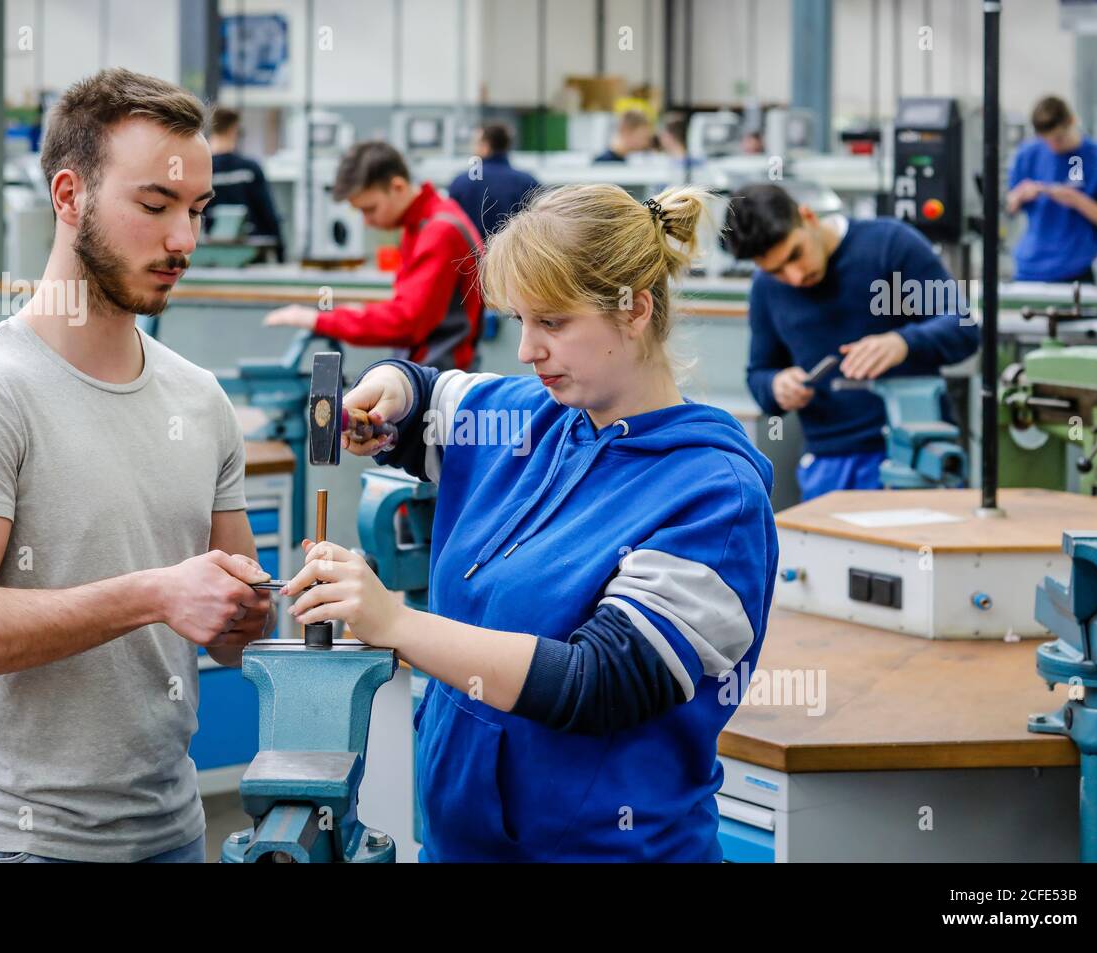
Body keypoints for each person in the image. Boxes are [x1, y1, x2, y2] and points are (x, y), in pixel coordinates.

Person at [278, 183, 778, 861]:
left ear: (635, 309)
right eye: (519, 320)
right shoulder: (526, 417)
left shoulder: (714, 496)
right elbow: (423, 392)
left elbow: (598, 681)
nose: (526, 350)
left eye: (552, 323)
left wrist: (394, 624)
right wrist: (389, 391)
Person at [0, 68, 276, 865]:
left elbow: (239, 637)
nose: (185, 240)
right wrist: (154, 591)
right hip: (6, 842)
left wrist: (260, 609)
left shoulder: (201, 400)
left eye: (197, 211)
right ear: (68, 196)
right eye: (155, 205)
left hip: (170, 831)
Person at [722, 183, 979, 500]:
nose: (795, 277)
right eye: (776, 271)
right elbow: (759, 374)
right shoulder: (765, 289)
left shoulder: (890, 245)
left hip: (918, 454)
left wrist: (903, 342)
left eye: (795, 255)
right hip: (830, 468)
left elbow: (962, 326)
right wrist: (776, 386)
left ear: (808, 217)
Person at [265, 141, 485, 371]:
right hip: (431, 370)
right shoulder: (427, 221)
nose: (367, 221)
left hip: (440, 380)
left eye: (370, 209)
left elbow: (406, 322)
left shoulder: (439, 232)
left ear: (398, 187)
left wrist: (320, 319)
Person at [1007, 94, 1097, 284]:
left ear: (1072, 121)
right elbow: (1008, 209)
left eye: (1059, 139)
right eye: (1046, 141)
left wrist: (1077, 201)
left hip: (1075, 271)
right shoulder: (1028, 154)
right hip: (1029, 270)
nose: (1053, 146)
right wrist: (1019, 196)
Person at [205, 106, 285, 261]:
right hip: (250, 253)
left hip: (212, 253)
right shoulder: (249, 169)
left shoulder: (203, 170)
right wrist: (281, 253)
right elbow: (268, 213)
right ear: (234, 130)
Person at [446, 122, 540, 241]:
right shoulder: (528, 182)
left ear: (485, 147)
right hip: (513, 256)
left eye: (476, 144)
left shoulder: (461, 182)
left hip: (471, 256)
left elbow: (450, 225)